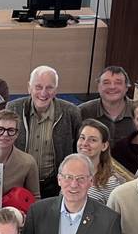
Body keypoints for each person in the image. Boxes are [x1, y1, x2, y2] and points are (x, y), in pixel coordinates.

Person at [7, 66, 82, 199]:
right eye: (38, 87)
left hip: (55, 186)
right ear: (29, 88)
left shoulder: (71, 112)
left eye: (49, 87)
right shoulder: (13, 108)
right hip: (19, 184)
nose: (43, 93)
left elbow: (79, 149)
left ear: (56, 90)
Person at [77, 120, 133, 205]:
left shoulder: (112, 182)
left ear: (104, 146)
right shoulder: (67, 172)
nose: (85, 143)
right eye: (82, 138)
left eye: (92, 140)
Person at [78, 66, 136, 143]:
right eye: (106, 83)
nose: (112, 87)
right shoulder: (82, 112)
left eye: (118, 83)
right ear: (98, 87)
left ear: (126, 87)